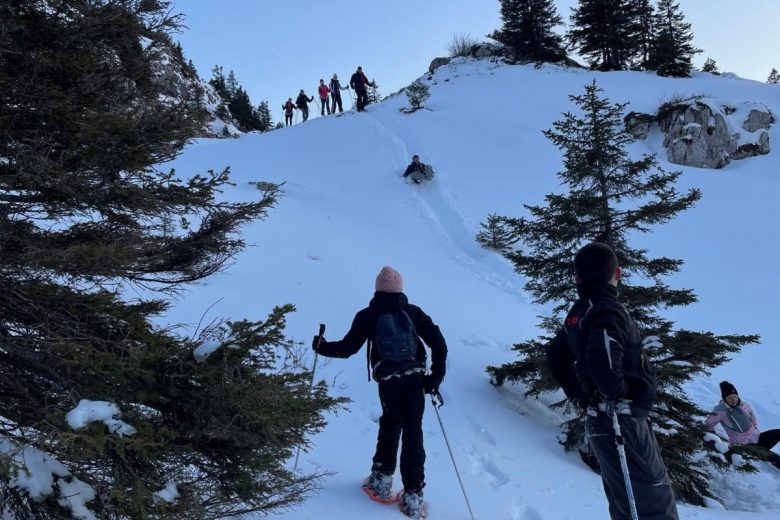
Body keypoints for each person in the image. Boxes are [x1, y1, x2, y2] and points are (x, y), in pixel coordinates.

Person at [546, 242, 679, 520]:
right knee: (653, 502)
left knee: (625, 504)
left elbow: (556, 355)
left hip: (606, 418)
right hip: (622, 419)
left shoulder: (579, 313)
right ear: (617, 273)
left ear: (577, 278)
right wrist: (616, 393)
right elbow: (604, 360)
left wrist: (580, 396)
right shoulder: (606, 309)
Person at [313, 266, 447, 518]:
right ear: (400, 289)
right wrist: (435, 378)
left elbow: (347, 348)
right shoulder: (413, 313)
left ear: (377, 289)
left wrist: (321, 347)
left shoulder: (368, 315)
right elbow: (439, 343)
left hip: (389, 381)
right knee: (413, 431)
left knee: (390, 424)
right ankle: (414, 496)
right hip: (415, 378)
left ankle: (381, 481)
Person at [705, 381, 780, 470]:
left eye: (735, 397)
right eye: (730, 398)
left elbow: (753, 420)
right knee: (773, 457)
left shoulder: (744, 405)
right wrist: (713, 438)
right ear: (725, 398)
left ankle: (763, 450)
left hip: (757, 437)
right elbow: (708, 424)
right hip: (745, 446)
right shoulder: (720, 411)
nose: (734, 400)